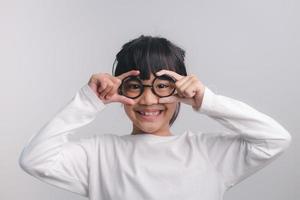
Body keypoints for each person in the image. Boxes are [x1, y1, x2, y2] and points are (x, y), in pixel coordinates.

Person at [19, 35, 292, 200]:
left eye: (162, 86)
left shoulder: (208, 152)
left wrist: (207, 100)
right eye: (136, 86)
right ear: (121, 89)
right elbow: (35, 159)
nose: (148, 100)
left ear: (180, 89)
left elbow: (275, 139)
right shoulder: (99, 154)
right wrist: (88, 100)